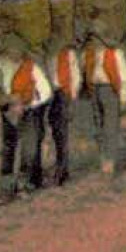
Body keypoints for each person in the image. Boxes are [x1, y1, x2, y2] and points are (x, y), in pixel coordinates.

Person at [0, 35, 53, 203]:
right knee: (8, 149)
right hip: (7, 111)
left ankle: (23, 184)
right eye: (10, 50)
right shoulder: (0, 65)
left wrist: (27, 103)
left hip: (29, 111)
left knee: (29, 149)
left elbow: (46, 91)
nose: (14, 54)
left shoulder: (32, 66)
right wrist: (5, 100)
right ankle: (6, 188)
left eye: (17, 50)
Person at [81, 31, 126, 176]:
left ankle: (110, 161)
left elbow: (125, 77)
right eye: (91, 40)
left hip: (110, 90)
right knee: (98, 125)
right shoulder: (89, 55)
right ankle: (102, 158)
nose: (94, 43)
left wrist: (123, 98)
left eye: (96, 40)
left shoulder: (115, 53)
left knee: (110, 126)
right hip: (95, 90)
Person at [45, 34, 83, 186]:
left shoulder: (69, 54)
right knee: (54, 132)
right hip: (48, 94)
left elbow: (75, 76)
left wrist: (72, 98)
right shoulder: (47, 55)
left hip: (63, 94)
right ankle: (57, 167)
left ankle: (62, 171)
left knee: (62, 134)